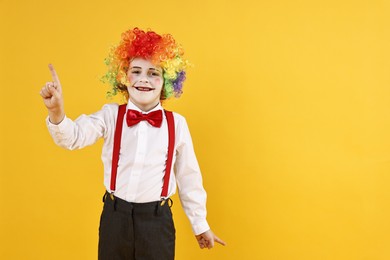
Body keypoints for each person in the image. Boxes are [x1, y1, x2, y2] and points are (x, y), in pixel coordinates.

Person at [39, 27, 225, 260]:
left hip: (157, 222)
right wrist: (57, 112)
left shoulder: (176, 124)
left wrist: (200, 224)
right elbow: (74, 137)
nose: (144, 79)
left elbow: (189, 177)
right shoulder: (110, 116)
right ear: (123, 78)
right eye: (136, 71)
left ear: (167, 81)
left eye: (153, 73)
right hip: (115, 218)